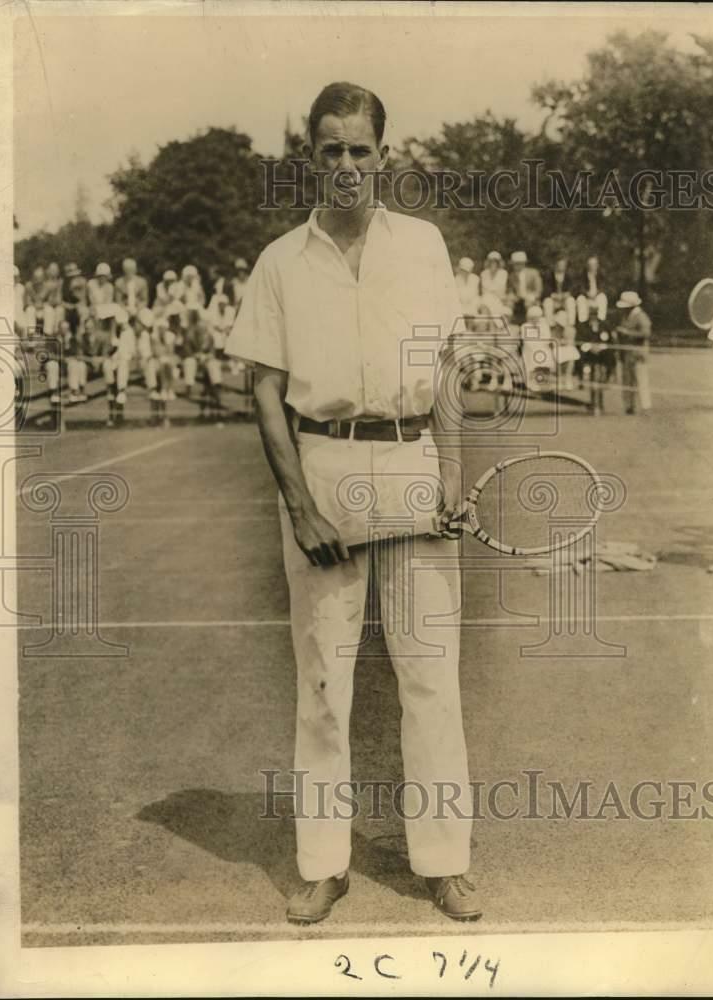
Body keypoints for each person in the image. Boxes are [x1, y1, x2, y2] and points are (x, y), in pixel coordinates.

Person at [225, 80, 477, 926]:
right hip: (324, 469)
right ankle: (323, 865)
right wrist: (300, 505)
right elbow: (263, 392)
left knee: (430, 678)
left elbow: (444, 367)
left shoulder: (425, 246)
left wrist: (450, 469)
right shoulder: (279, 262)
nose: (344, 166)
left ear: (383, 156)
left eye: (358, 150)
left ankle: (444, 863)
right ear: (311, 157)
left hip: (412, 460)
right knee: (324, 686)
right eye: (329, 150)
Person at [615, 290, 652, 415]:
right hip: (627, 354)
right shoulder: (626, 316)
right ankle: (629, 406)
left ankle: (645, 406)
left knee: (641, 380)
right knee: (627, 381)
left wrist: (627, 333)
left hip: (638, 353)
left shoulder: (641, 316)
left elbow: (646, 333)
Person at [505, 250, 542, 325]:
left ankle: (529, 326)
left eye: (519, 264)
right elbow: (510, 290)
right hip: (518, 300)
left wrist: (531, 296)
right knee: (508, 303)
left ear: (524, 264)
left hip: (530, 299)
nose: (516, 266)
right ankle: (508, 326)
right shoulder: (512, 276)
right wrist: (512, 295)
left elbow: (538, 290)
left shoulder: (533, 273)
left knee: (529, 302)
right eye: (515, 264)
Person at [542, 254, 576, 328]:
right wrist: (553, 295)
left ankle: (570, 324)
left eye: (563, 265)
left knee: (571, 301)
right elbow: (545, 289)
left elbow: (573, 289)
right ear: (555, 265)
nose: (561, 267)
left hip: (564, 299)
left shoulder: (569, 276)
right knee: (547, 302)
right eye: (559, 265)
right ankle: (550, 325)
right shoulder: (549, 275)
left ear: (565, 266)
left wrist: (567, 294)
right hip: (553, 299)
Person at [479, 250, 508, 317]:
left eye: (495, 261)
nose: (493, 263)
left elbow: (501, 288)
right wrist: (492, 290)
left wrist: (492, 290)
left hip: (499, 298)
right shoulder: (484, 273)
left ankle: (494, 325)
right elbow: (485, 288)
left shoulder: (503, 273)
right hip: (487, 297)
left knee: (494, 306)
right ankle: (486, 324)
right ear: (488, 262)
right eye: (491, 261)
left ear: (498, 263)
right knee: (485, 303)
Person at [454, 257, 480, 326]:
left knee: (472, 310)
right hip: (460, 305)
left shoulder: (475, 279)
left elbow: (475, 296)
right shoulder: (456, 279)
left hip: (472, 305)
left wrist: (473, 305)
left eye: (467, 271)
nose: (465, 273)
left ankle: (469, 328)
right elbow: (456, 296)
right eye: (463, 270)